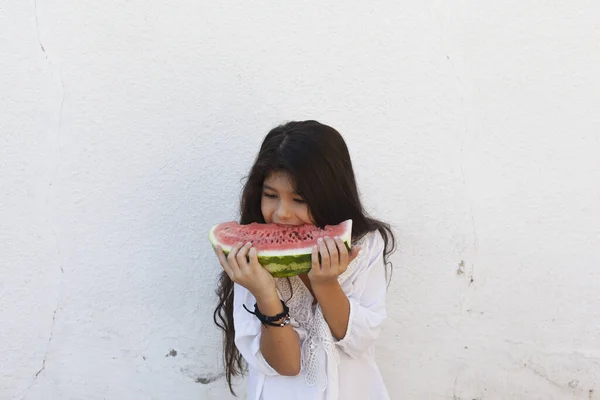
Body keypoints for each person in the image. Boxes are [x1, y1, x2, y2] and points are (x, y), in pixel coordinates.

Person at [212, 120, 397, 400]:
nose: (282, 213)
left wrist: (325, 284)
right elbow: (286, 365)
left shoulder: (365, 244)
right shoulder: (250, 257)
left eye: (299, 199)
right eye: (271, 195)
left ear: (329, 195)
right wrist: (264, 292)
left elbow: (359, 341)